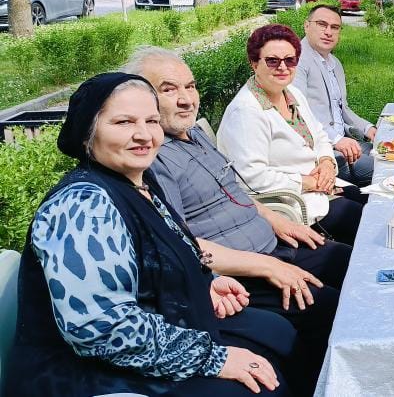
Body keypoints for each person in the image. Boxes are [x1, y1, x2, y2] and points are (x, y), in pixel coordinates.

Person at [6, 73, 292, 397]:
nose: (144, 135)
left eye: (152, 121)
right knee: (262, 386)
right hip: (85, 376)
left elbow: (159, 253)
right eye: (124, 122)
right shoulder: (82, 205)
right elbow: (100, 328)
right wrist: (212, 358)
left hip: (150, 335)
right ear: (88, 133)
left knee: (278, 333)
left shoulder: (138, 182)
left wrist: (204, 283)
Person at [126, 46, 351, 392]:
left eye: (190, 87)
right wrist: (266, 266)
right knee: (328, 307)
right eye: (168, 89)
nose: (186, 99)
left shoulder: (194, 134)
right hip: (241, 272)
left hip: (273, 243)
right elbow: (178, 243)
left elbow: (236, 191)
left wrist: (277, 220)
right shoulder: (153, 158)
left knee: (348, 261)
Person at [216, 24, 365, 245]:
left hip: (323, 188)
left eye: (290, 60)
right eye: (272, 61)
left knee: (373, 203)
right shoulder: (245, 112)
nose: (283, 67)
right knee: (366, 222)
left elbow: (319, 135)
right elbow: (251, 178)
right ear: (254, 63)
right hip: (294, 205)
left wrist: (326, 162)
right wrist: (309, 182)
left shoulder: (291, 93)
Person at [293, 4, 376, 187]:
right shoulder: (296, 60)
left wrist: (368, 128)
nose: (328, 32)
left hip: (345, 143)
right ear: (306, 26)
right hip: (322, 153)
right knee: (385, 171)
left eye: (335, 27)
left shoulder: (335, 63)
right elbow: (297, 114)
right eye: (322, 24)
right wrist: (337, 140)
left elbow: (342, 108)